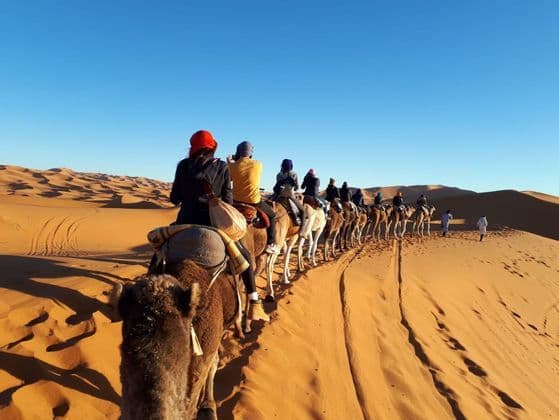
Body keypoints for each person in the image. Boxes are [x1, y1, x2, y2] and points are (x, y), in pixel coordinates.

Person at [171, 130, 268, 322]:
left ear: (192, 148)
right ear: (212, 147)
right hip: (213, 225)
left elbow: (174, 199)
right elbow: (228, 200)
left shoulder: (183, 165)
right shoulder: (222, 167)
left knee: (159, 251)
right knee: (246, 257)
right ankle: (254, 301)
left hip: (184, 222)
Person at [228, 141, 280, 254]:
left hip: (235, 201)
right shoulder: (258, 164)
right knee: (272, 216)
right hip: (254, 201)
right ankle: (271, 243)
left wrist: (230, 162)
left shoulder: (232, 166)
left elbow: (230, 179)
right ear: (251, 153)